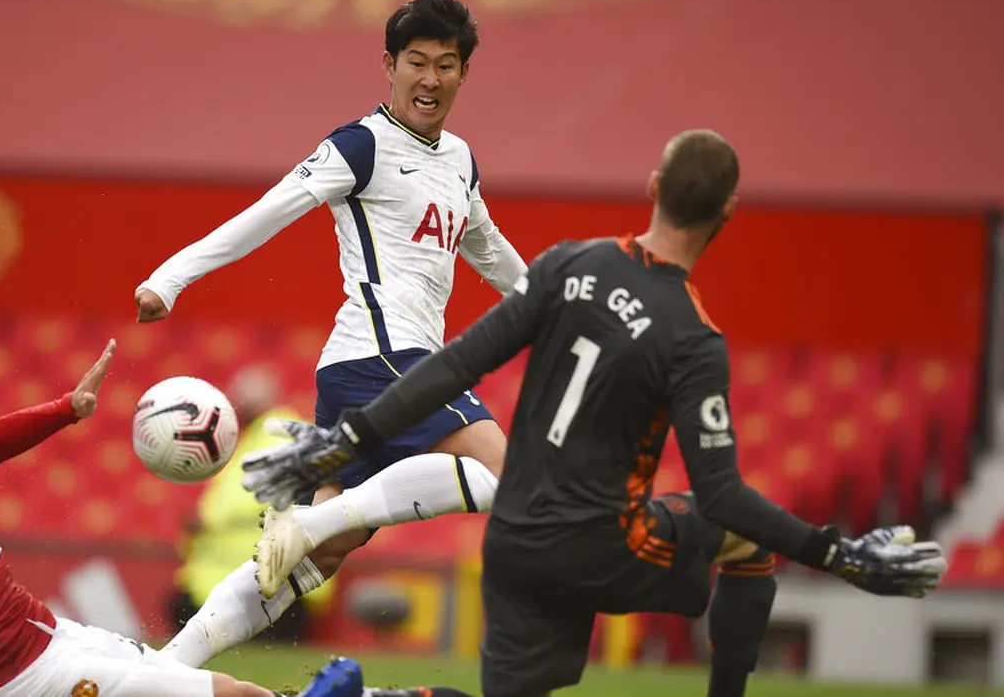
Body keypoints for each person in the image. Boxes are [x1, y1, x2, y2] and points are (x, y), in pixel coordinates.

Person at [239, 130, 951, 697]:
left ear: (652, 190)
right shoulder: (692, 337)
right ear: (727, 213)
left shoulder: (564, 266)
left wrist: (341, 442)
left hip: (515, 542)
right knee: (744, 541)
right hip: (603, 544)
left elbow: (454, 364)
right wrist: (837, 554)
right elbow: (721, 494)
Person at [135, 0, 524, 666]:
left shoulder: (459, 160)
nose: (429, 79)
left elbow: (488, 249)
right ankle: (313, 516)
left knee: (305, 563)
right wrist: (170, 277)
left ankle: (163, 668)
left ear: (463, 73)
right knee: (511, 475)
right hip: (382, 357)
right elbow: (269, 210)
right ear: (389, 64)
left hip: (377, 368)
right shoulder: (361, 144)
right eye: (415, 62)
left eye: (445, 65)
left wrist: (559, 308)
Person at [0, 339, 371, 697]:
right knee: (229, 696)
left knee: (210, 686)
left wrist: (67, 409)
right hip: (4, 683)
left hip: (44, 637)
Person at [168, 365, 333, 641]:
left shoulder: (276, 433)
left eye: (237, 397)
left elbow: (253, 497)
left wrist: (205, 520)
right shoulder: (260, 436)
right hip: (254, 582)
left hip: (262, 584)